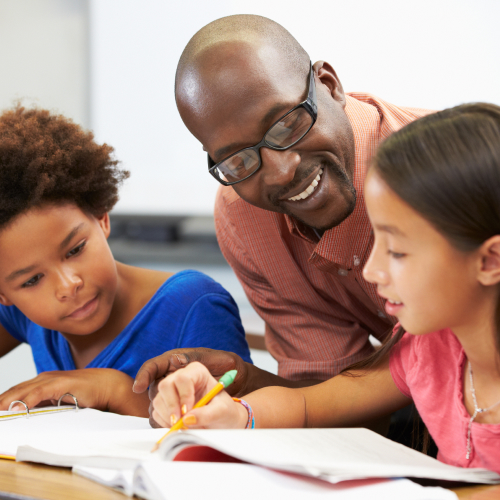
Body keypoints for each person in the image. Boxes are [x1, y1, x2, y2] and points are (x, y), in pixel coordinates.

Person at [150, 102, 500, 473]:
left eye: (397, 251)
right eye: (376, 240)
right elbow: (309, 405)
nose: (373, 271)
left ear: (490, 261)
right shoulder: (431, 350)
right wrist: (236, 416)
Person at [133, 14, 431, 404]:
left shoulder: (454, 170)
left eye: (288, 124)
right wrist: (247, 384)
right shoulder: (244, 219)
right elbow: (337, 399)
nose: (281, 172)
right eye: (239, 160)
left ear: (330, 86)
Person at [0, 105, 251, 417]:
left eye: (75, 249)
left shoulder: (193, 306)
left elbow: (234, 426)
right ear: (4, 294)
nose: (68, 285)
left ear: (101, 217)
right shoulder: (24, 314)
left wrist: (115, 390)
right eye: (32, 280)